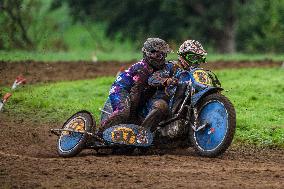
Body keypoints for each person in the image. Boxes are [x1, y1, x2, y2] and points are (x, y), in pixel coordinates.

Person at [100, 38, 172, 131]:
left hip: (138, 93)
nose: (162, 58)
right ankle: (100, 132)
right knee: (123, 113)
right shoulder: (142, 69)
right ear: (148, 54)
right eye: (158, 55)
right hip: (120, 89)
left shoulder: (160, 68)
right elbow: (135, 92)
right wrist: (132, 116)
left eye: (164, 54)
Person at [141, 39, 207, 130]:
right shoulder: (172, 66)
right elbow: (152, 79)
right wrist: (167, 81)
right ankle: (142, 133)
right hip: (161, 104)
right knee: (161, 105)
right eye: (193, 58)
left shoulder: (196, 73)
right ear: (182, 56)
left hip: (181, 107)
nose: (196, 62)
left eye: (199, 59)